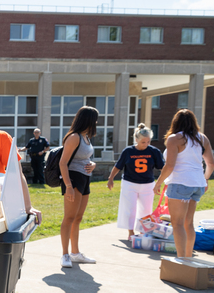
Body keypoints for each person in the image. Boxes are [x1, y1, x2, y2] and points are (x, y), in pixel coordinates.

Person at [153, 109, 214, 258]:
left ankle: (181, 260)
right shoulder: (202, 138)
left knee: (178, 223)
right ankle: (188, 259)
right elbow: (211, 163)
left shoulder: (174, 139)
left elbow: (169, 166)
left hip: (181, 183)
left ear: (175, 123)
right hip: (197, 184)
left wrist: (158, 183)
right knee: (188, 223)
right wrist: (205, 179)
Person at [107, 124, 165, 240]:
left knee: (146, 210)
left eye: (148, 141)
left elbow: (162, 168)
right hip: (130, 183)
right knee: (130, 209)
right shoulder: (128, 151)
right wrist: (110, 178)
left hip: (147, 184)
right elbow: (118, 166)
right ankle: (130, 232)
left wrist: (160, 183)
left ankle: (143, 232)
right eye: (143, 142)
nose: (146, 144)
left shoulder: (154, 151)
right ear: (136, 140)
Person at [59, 106, 98, 268]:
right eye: (95, 119)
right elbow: (63, 163)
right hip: (73, 179)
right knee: (69, 217)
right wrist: (68, 185)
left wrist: (93, 164)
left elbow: (85, 158)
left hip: (85, 179)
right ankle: (65, 255)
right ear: (88, 119)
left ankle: (75, 253)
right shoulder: (74, 137)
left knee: (78, 218)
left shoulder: (86, 137)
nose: (96, 122)